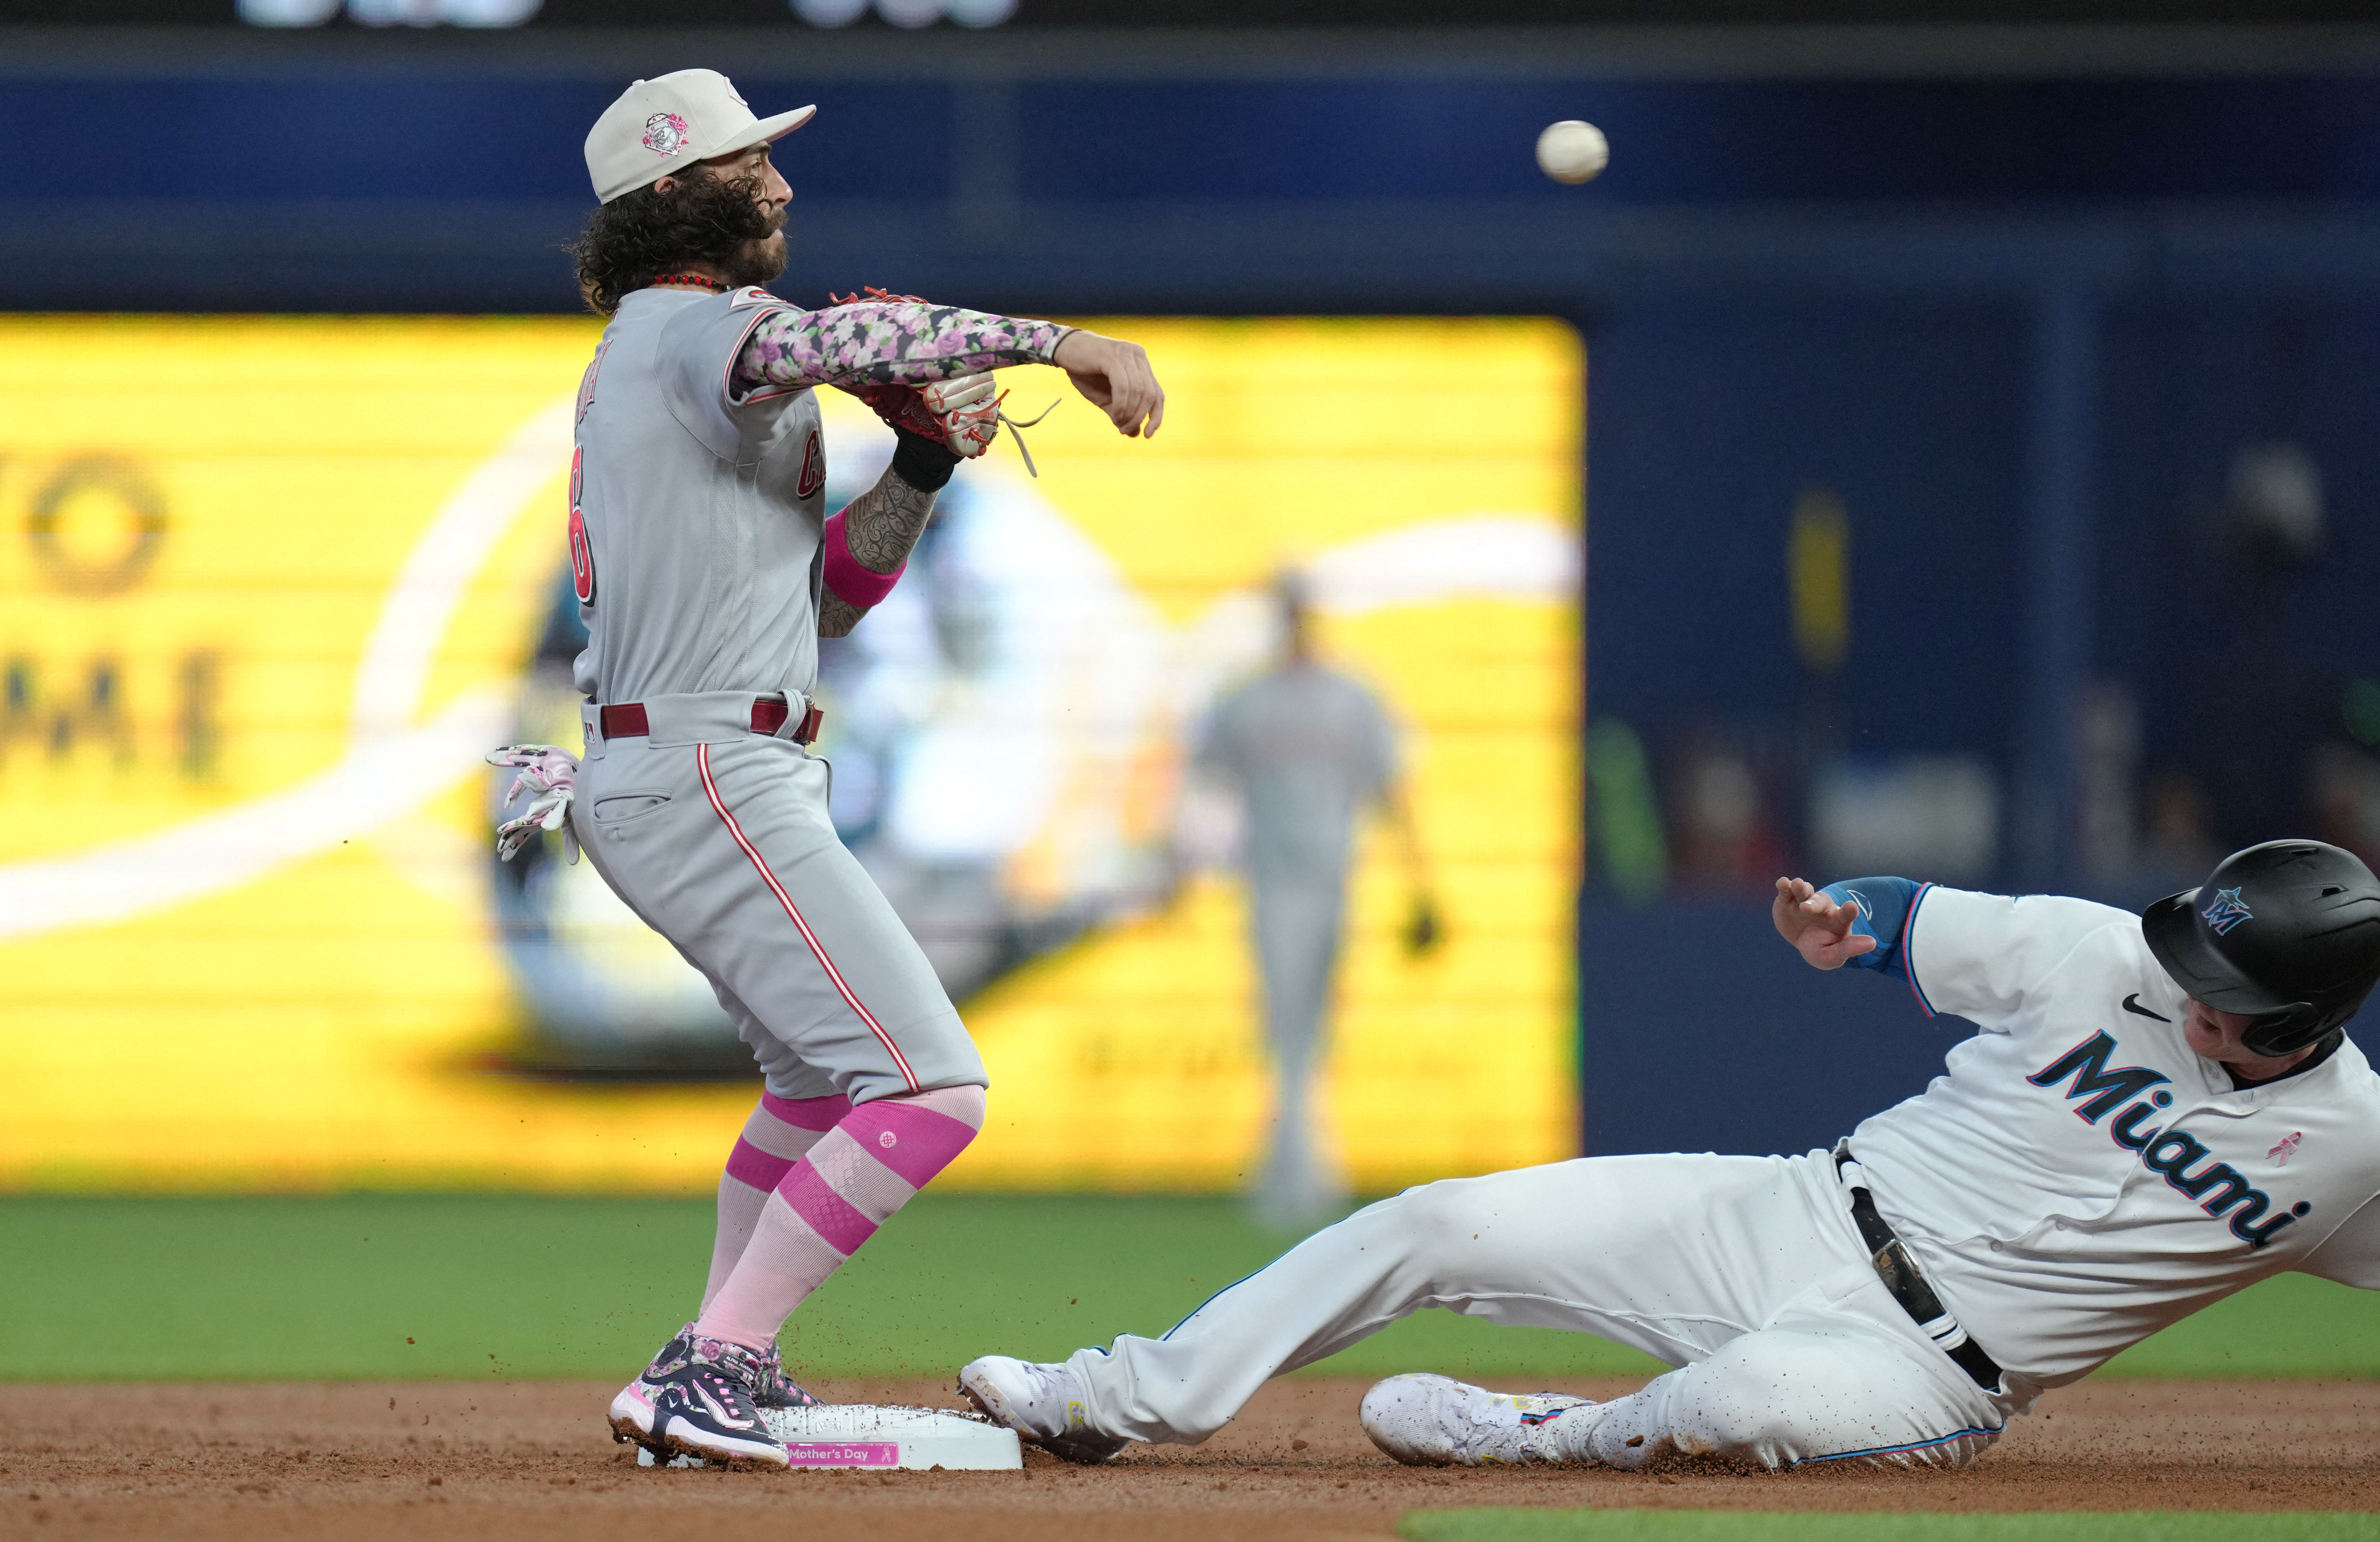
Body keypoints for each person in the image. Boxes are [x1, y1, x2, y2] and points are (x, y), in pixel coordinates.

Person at [519, 70, 1163, 1468]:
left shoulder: (672, 356)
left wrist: (921, 469)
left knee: (818, 1090)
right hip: (706, 768)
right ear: (683, 189)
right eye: (759, 164)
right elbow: (850, 332)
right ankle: (716, 1362)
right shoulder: (693, 330)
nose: (784, 185)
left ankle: (713, 1363)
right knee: (933, 1088)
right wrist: (1060, 339)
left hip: (702, 753)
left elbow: (829, 604)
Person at [957, 839, 2380, 1470]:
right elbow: (1907, 913)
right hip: (1788, 1209)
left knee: (1752, 1397)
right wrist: (1843, 921)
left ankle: (1538, 1438)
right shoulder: (2098, 952)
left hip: (1926, 1366)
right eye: (2195, 947)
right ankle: (1112, 1397)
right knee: (1434, 1220)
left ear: (2308, 1016)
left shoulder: (2351, 1152)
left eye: (2229, 986)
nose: (2190, 982)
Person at [1192, 571, 1433, 1228]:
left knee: (1313, 1030)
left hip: (1333, 878)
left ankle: (1295, 1175)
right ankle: (1300, 1180)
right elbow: (1203, 789)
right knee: (1284, 1028)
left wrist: (1421, 885)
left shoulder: (1353, 698)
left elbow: (1392, 790)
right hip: (1271, 879)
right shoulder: (1248, 701)